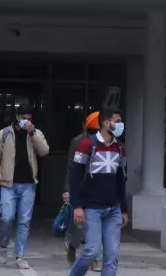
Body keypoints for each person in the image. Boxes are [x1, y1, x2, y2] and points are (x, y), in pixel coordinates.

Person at [0, 103, 50, 270]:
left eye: (28, 118)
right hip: (8, 184)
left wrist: (32, 131)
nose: (25, 121)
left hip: (29, 185)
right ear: (16, 117)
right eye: (23, 118)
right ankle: (3, 245)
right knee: (6, 218)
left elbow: (44, 151)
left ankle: (20, 256)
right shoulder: (4, 134)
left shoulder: (35, 133)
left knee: (24, 222)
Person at [68, 109, 129, 276]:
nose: (120, 125)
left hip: (113, 209)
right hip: (92, 208)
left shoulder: (120, 148)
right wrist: (77, 206)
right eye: (117, 121)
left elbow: (121, 179)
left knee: (112, 255)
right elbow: (75, 176)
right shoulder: (87, 145)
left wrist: (123, 208)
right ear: (105, 123)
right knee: (92, 250)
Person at [63, 111, 103, 271]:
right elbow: (71, 168)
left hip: (98, 189)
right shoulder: (77, 142)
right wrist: (68, 190)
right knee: (78, 226)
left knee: (97, 224)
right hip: (80, 188)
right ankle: (72, 246)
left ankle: (95, 258)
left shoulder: (106, 142)